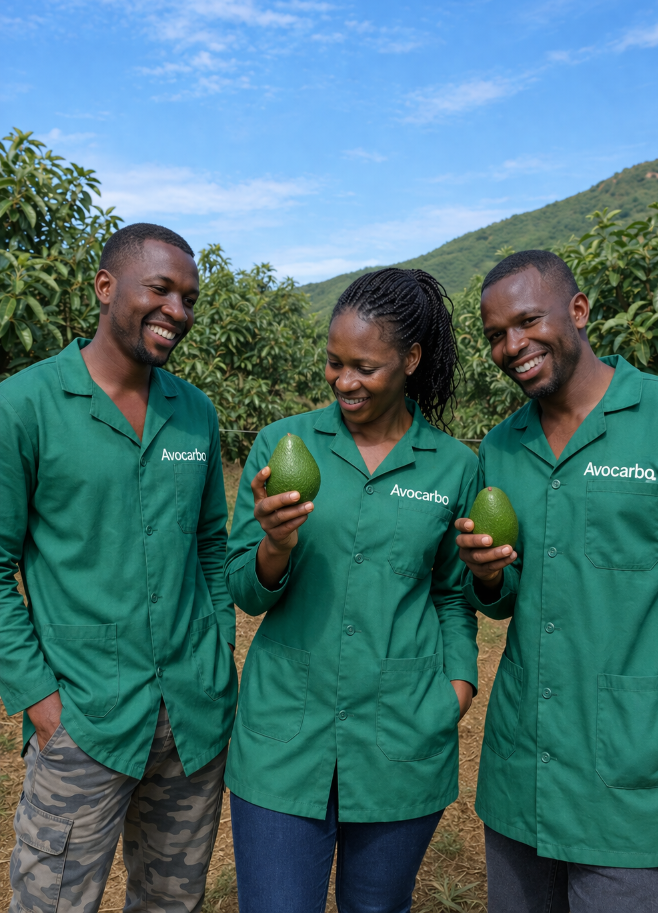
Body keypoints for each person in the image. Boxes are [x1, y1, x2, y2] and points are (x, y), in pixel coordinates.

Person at [0, 223, 237, 913]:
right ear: (105, 287)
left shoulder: (193, 413)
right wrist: (40, 701)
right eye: (160, 289)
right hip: (85, 717)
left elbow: (210, 547)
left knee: (171, 901)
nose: (177, 311)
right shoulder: (26, 405)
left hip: (192, 717)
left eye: (189, 298)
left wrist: (218, 649)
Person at [225, 268, 479, 913]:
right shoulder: (282, 447)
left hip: (402, 735)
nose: (344, 381)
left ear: (412, 360)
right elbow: (243, 591)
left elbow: (453, 594)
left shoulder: (454, 466)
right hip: (285, 736)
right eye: (334, 363)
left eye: (364, 366)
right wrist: (274, 546)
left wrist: (458, 685)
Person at [455, 249, 658, 913]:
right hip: (522, 763)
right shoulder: (500, 446)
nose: (511, 346)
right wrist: (488, 577)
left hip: (630, 767)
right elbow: (501, 600)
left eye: (526, 321)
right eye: (496, 334)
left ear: (578, 311)